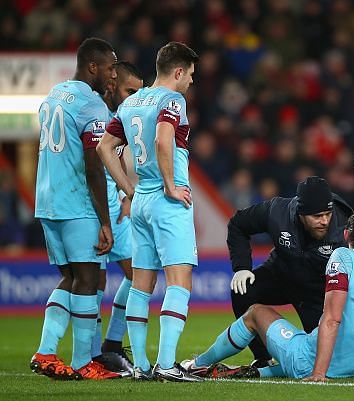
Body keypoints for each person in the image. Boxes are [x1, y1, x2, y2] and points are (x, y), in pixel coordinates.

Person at [181, 210, 354, 380]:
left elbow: (332, 319)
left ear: (347, 236)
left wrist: (318, 373)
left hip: (314, 362)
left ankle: (198, 364)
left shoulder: (343, 257)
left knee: (256, 313)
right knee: (303, 343)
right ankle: (256, 372)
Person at [97, 41, 200, 382]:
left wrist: (129, 188)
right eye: (190, 76)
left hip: (140, 201)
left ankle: (141, 365)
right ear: (179, 71)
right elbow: (162, 138)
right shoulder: (173, 100)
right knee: (179, 281)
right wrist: (170, 186)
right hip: (167, 202)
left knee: (141, 285)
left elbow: (104, 147)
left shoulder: (132, 102)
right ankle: (167, 364)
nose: (190, 83)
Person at [31, 37, 120, 380]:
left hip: (47, 200)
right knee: (87, 279)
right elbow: (95, 165)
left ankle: (45, 351)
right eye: (110, 67)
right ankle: (85, 363)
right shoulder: (91, 106)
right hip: (76, 204)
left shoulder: (54, 95)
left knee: (70, 278)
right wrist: (105, 221)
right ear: (93, 66)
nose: (113, 74)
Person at [225, 176, 353, 368]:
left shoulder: (345, 224)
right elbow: (237, 224)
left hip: (318, 292)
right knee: (242, 290)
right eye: (317, 216)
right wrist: (242, 267)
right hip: (280, 276)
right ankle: (262, 357)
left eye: (328, 213)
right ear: (301, 213)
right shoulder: (277, 212)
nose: (325, 221)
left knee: (325, 360)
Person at [90, 61, 143, 375]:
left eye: (139, 91)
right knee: (93, 281)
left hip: (117, 205)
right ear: (112, 88)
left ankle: (111, 344)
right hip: (96, 210)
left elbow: (118, 163)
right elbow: (93, 165)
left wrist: (124, 195)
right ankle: (95, 352)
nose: (134, 97)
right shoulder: (98, 116)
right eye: (129, 91)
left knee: (137, 274)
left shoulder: (124, 119)